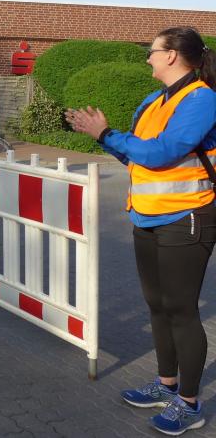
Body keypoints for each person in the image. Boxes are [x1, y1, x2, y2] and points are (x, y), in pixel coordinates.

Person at [67, 26, 216, 436]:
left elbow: (164, 152)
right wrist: (103, 137)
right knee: (157, 305)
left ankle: (189, 404)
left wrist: (108, 134)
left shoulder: (202, 99)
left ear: (172, 55)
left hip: (187, 216)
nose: (147, 57)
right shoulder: (153, 101)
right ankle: (166, 385)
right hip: (146, 216)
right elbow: (137, 156)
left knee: (181, 309)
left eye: (152, 51)